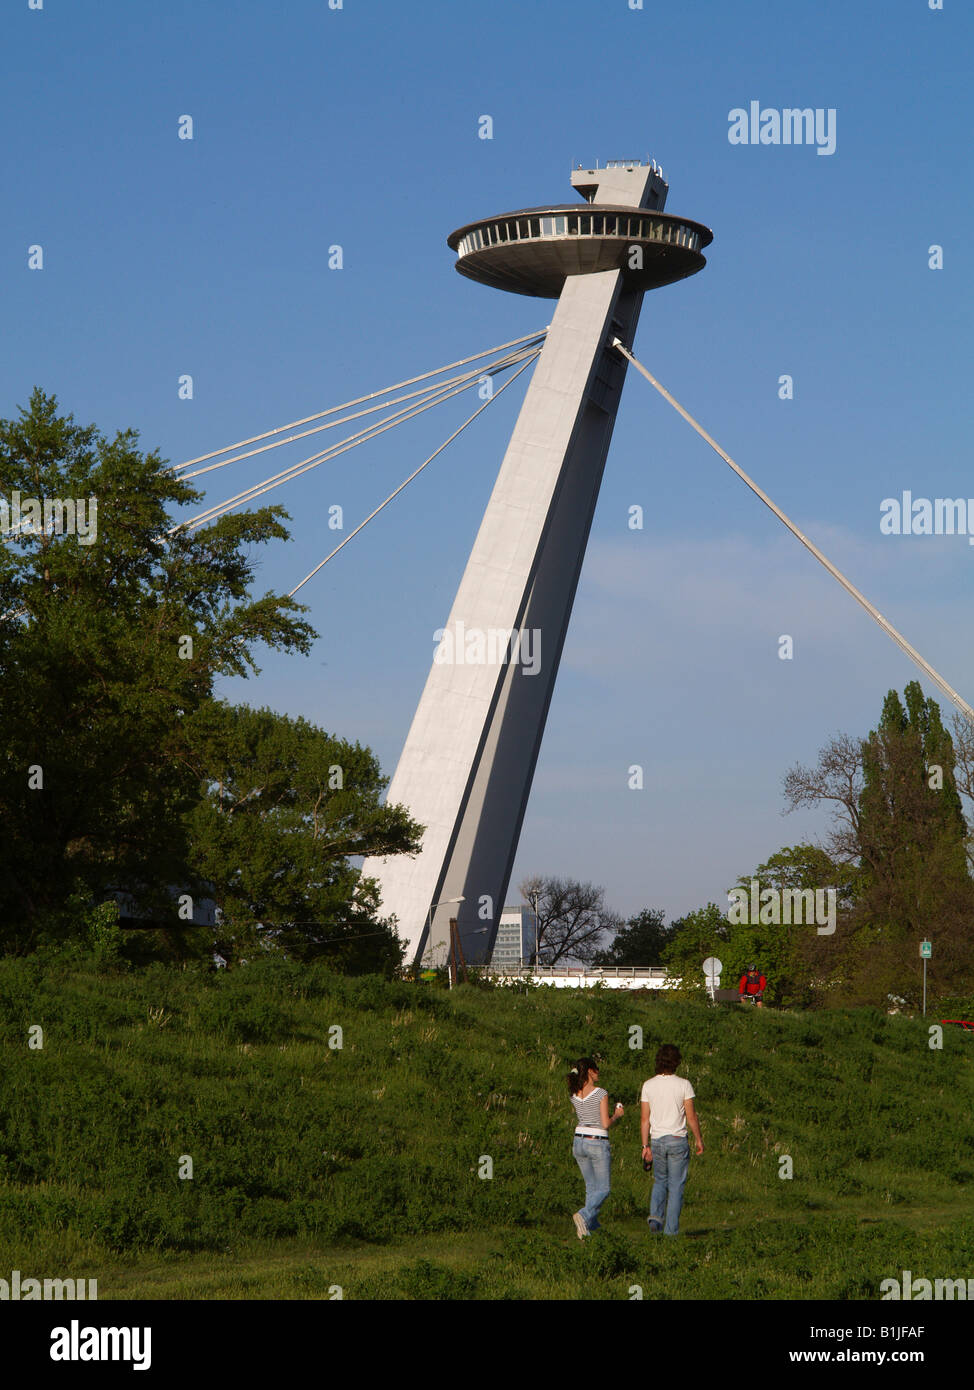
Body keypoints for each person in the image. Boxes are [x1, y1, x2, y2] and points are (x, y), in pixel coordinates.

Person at [640, 1043, 703, 1235]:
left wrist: (645, 1145)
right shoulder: (684, 1084)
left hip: (657, 1140)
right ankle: (670, 1232)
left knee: (660, 1181)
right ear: (676, 1062)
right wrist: (699, 1139)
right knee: (676, 1187)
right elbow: (691, 1117)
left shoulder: (648, 1085)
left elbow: (644, 1119)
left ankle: (655, 1217)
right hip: (677, 1139)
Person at [568, 1056, 624, 1239]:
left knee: (591, 1187)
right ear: (590, 1071)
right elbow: (605, 1123)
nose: (598, 1072)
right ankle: (583, 1215)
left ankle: (587, 1229)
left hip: (578, 1141)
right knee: (604, 1188)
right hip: (597, 1141)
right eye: (596, 1069)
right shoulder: (600, 1093)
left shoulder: (574, 1093)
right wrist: (617, 1115)